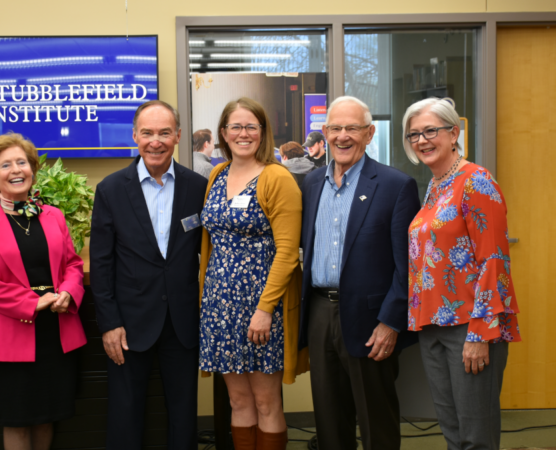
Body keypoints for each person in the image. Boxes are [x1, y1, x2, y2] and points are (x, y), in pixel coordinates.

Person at [299, 96, 421, 450]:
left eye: (352, 128)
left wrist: (391, 322)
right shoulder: (310, 184)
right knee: (329, 420)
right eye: (335, 128)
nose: (343, 136)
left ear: (369, 133)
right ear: (324, 133)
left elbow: (408, 266)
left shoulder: (395, 186)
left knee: (375, 419)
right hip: (320, 313)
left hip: (372, 321)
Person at [403, 97, 521, 450]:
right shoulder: (437, 184)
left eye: (430, 131)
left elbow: (493, 260)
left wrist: (480, 334)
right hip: (433, 325)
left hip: (470, 327)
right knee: (452, 429)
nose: (422, 140)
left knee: (476, 436)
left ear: (454, 133)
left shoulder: (476, 181)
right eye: (414, 135)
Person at [90, 100, 208, 450]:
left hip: (183, 321)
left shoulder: (196, 187)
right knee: (125, 414)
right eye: (147, 133)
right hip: (128, 322)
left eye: (164, 133)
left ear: (178, 136)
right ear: (135, 136)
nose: (155, 141)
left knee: (183, 414)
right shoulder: (111, 189)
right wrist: (109, 323)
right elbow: (102, 262)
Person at [0, 133, 86, 450]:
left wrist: (69, 293)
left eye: (22, 162)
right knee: (16, 421)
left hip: (57, 332)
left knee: (47, 417)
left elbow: (72, 264)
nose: (16, 170)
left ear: (32, 169)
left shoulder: (53, 216)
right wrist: (35, 302)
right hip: (9, 334)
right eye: (5, 165)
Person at [199, 97, 308, 450]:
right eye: (236, 126)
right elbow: (210, 242)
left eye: (251, 127)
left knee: (265, 402)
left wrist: (265, 310)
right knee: (238, 402)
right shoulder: (216, 174)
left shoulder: (277, 178)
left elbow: (288, 253)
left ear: (263, 133)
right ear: (223, 133)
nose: (243, 133)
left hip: (263, 308)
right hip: (220, 306)